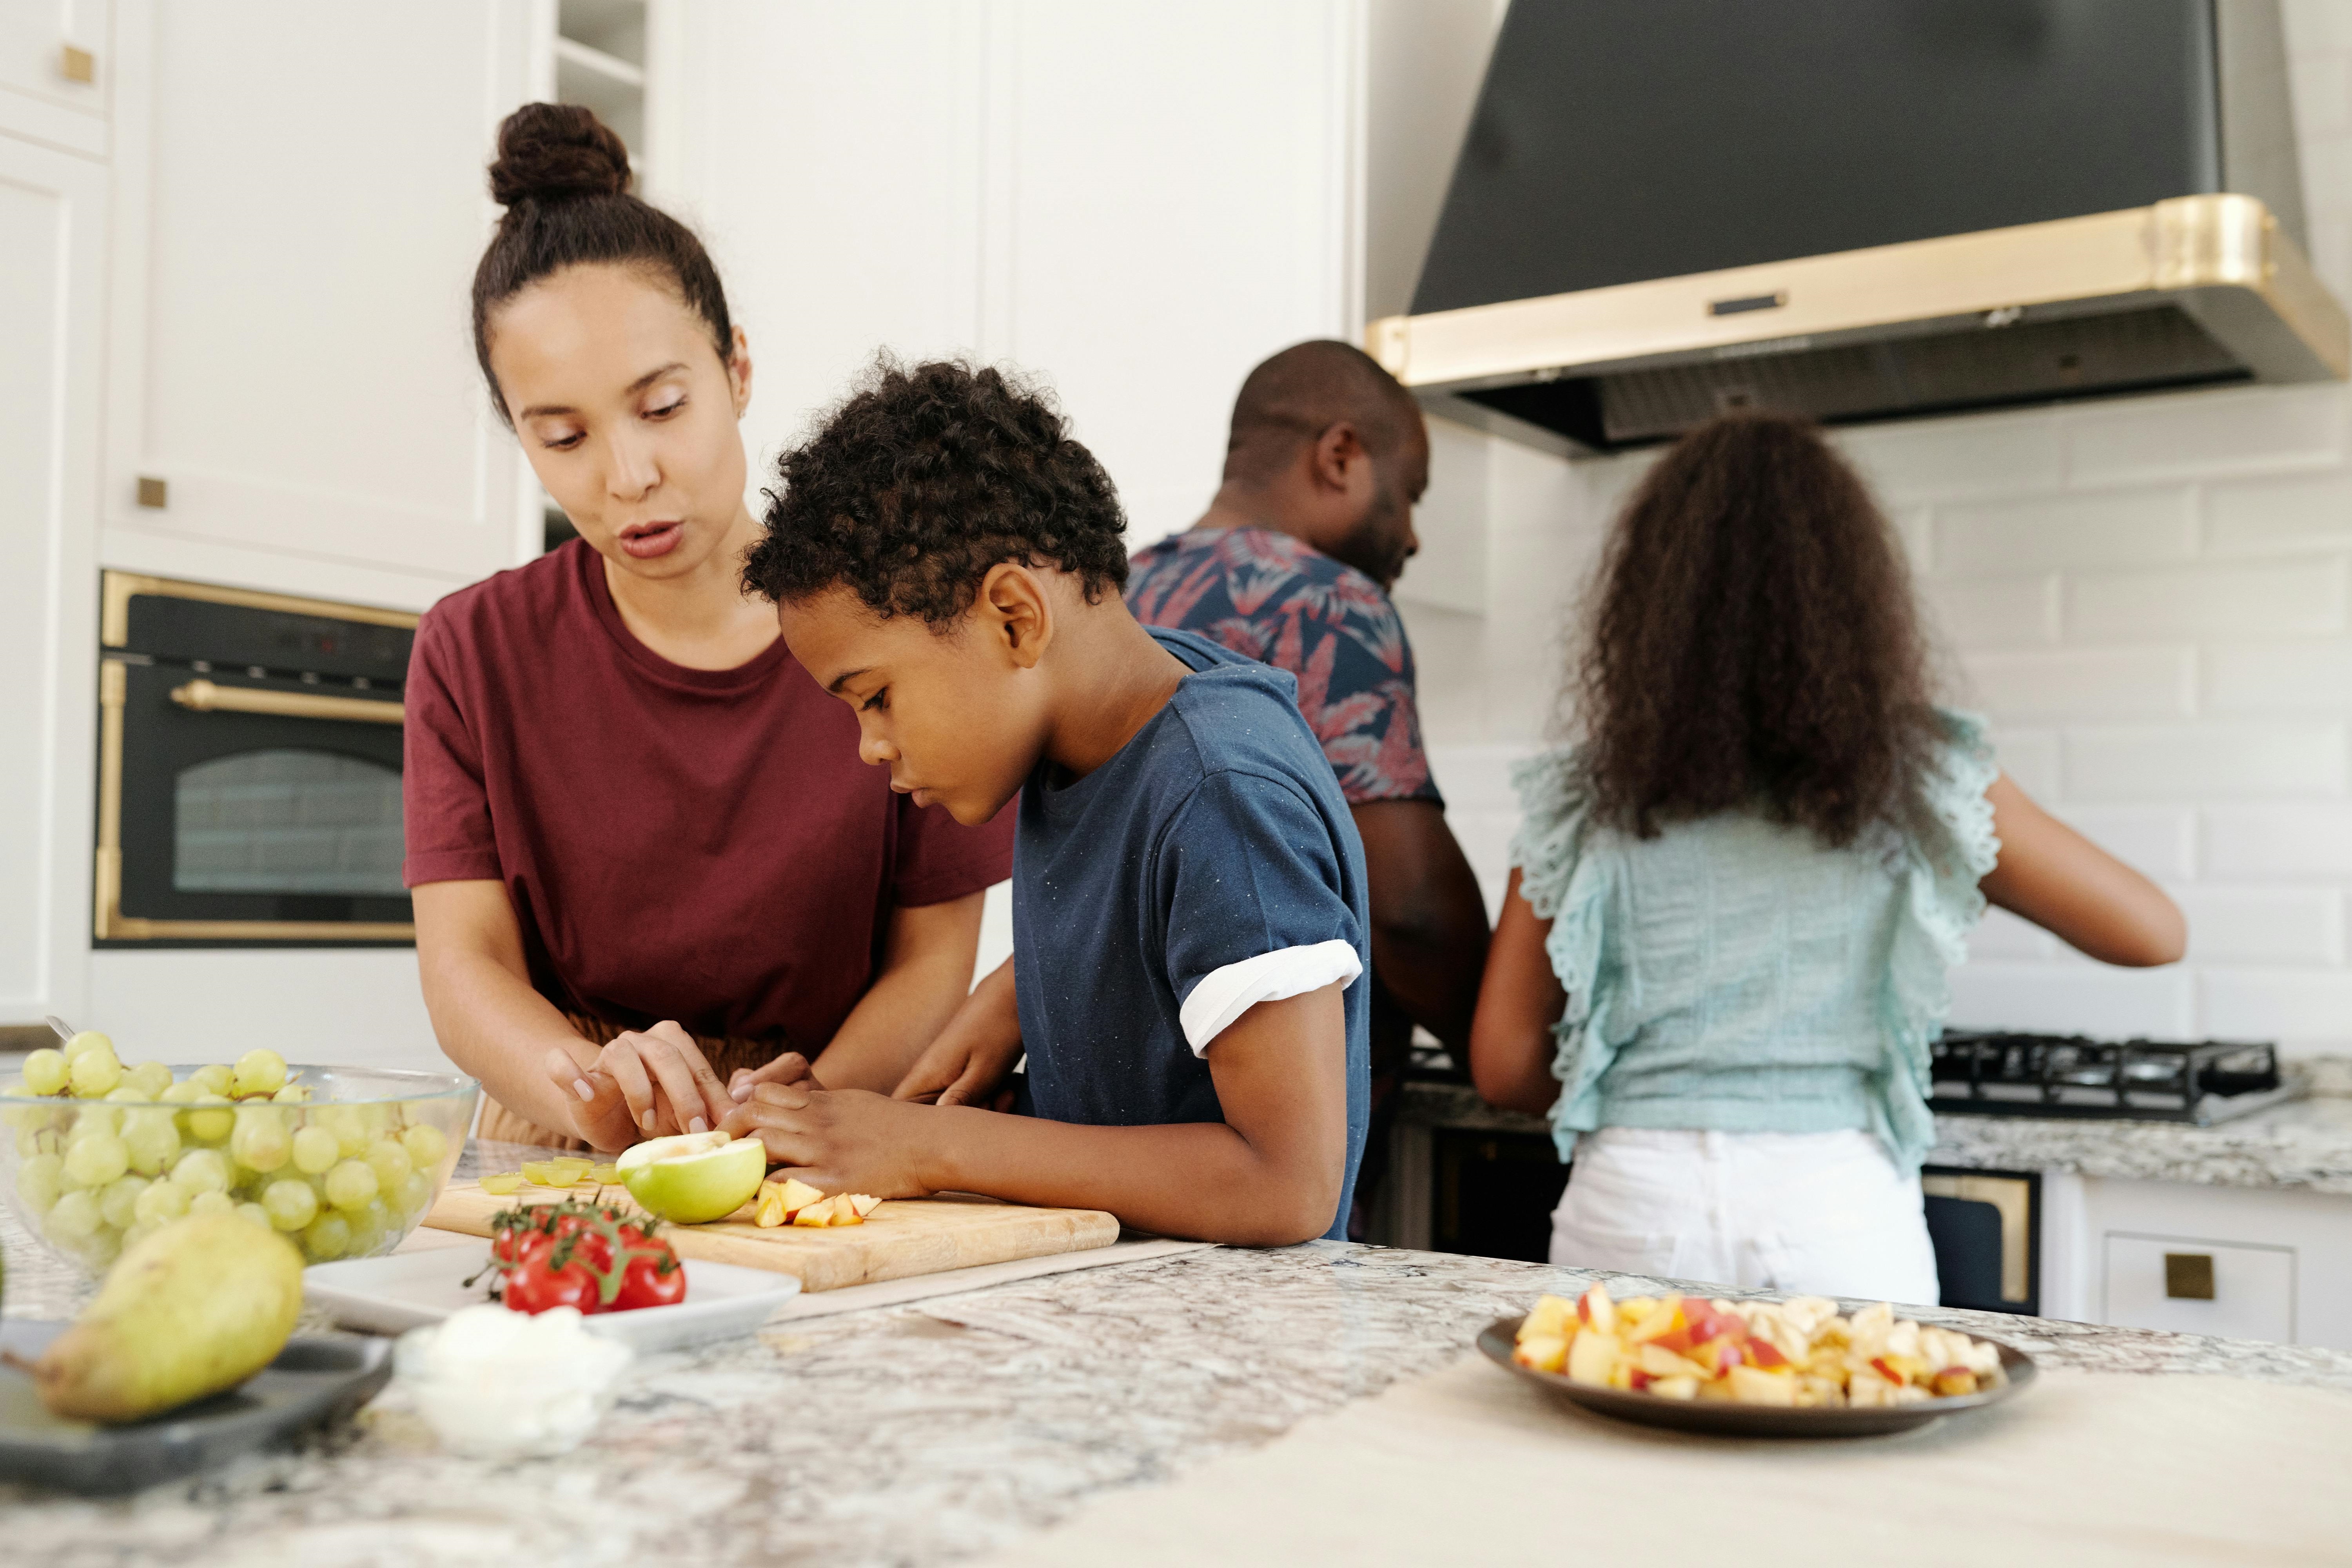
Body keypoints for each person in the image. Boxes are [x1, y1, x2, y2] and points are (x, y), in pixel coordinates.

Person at [1468, 412, 2185, 1303]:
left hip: (1631, 1202)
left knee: (1624, 1440)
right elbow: (2153, 932)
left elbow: (1501, 1062)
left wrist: (1649, 1094)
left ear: (1648, 606)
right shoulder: (1918, 779)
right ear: (1853, 599)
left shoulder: (1588, 792)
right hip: (1837, 1214)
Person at [404, 105, 1012, 1152]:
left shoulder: (901, 622)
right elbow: (467, 971)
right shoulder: (473, 649)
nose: (629, 475)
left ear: (736, 369)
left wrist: (785, 1120)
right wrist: (595, 1087)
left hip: (836, 1116)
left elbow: (931, 961)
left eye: (662, 406)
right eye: (564, 435)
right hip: (569, 1125)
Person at [721, 359, 1370, 1245]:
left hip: (1224, 1359)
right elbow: (1144, 906)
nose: (872, 745)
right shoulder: (1094, 730)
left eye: (874, 696)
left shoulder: (1222, 790)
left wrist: (934, 1145)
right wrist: (1011, 998)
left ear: (1016, 618)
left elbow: (1285, 1182)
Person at [1126, 340, 1488, 1232]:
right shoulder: (1330, 603)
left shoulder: (1117, 588)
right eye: (1411, 493)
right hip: (1268, 1154)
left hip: (1110, 1135)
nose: (1411, 534)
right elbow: (1409, 912)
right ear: (1340, 457)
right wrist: (1505, 1047)